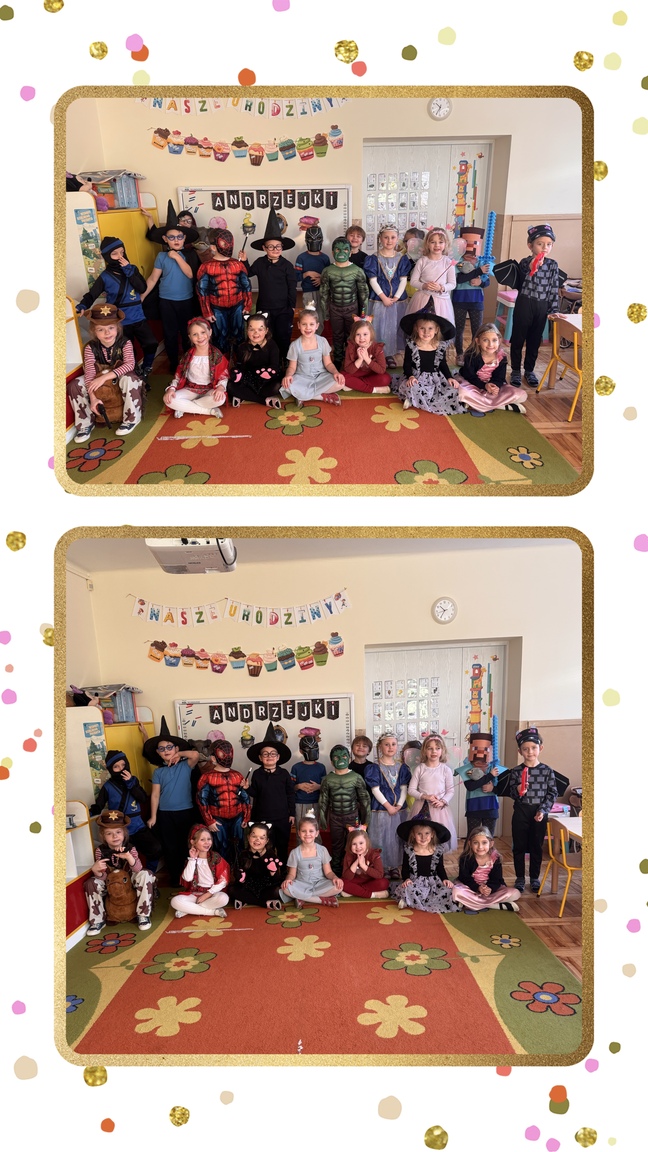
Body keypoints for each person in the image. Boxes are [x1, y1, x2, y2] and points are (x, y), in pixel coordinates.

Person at [75, 235, 158, 384]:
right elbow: (92, 294)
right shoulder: (105, 276)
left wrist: (129, 270)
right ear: (107, 257)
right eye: (115, 254)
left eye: (122, 252)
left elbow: (142, 288)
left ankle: (146, 368)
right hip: (119, 321)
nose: (120, 256)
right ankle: (134, 375)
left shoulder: (132, 269)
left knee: (151, 343)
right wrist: (82, 305)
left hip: (138, 316)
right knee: (127, 350)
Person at [67, 303, 144, 442]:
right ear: (94, 331)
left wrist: (104, 378)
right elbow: (90, 373)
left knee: (129, 379)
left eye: (111, 328)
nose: (107, 333)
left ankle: (132, 418)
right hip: (97, 377)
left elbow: (129, 365)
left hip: (120, 376)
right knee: (75, 385)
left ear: (117, 328)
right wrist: (93, 397)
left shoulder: (125, 343)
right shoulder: (90, 347)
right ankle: (85, 424)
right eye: (101, 329)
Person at [141, 717, 201, 887]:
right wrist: (153, 816)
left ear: (176, 748)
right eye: (162, 748)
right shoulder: (158, 772)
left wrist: (179, 754)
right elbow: (155, 795)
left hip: (185, 812)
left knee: (186, 845)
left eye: (169, 747)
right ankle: (176, 879)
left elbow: (195, 754)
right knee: (170, 847)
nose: (166, 751)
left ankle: (190, 878)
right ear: (158, 752)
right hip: (165, 814)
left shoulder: (185, 765)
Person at [498, 726, 558, 893]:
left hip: (539, 813)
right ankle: (520, 878)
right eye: (525, 749)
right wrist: (517, 790)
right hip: (521, 812)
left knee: (536, 846)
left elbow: (552, 793)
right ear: (520, 751)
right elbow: (511, 792)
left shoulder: (547, 771)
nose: (530, 752)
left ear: (540, 748)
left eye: (533, 748)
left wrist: (543, 810)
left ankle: (534, 878)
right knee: (519, 846)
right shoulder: (516, 771)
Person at [142, 212, 199, 374]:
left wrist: (177, 257)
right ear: (165, 239)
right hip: (166, 301)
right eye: (171, 237)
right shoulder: (161, 256)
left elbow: (190, 274)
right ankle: (174, 362)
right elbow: (153, 278)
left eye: (179, 237)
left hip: (186, 301)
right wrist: (142, 296)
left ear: (184, 238)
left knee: (187, 332)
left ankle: (188, 361)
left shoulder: (190, 254)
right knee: (170, 333)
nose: (176, 240)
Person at [83, 810, 155, 936]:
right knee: (91, 883)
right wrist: (97, 871)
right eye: (109, 833)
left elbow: (138, 870)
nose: (114, 836)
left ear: (124, 833)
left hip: (129, 881)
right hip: (111, 882)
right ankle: (97, 920)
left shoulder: (130, 848)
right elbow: (103, 877)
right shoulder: (100, 851)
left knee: (146, 874)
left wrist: (129, 857)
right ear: (103, 836)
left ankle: (143, 915)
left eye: (118, 832)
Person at [238, 207, 297, 359]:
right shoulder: (260, 263)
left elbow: (292, 287)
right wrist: (244, 261)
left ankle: (283, 362)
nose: (275, 249)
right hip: (264, 308)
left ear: (282, 247)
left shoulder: (287, 266)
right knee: (266, 337)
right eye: (271, 246)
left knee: (283, 336)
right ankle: (267, 361)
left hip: (283, 309)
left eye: (278, 246)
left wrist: (291, 306)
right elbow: (248, 273)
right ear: (264, 248)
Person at [90, 750, 161, 872]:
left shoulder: (134, 781)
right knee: (119, 856)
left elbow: (143, 798)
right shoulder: (108, 786)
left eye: (123, 765)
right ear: (111, 769)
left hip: (138, 827)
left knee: (155, 848)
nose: (121, 769)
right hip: (119, 830)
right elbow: (99, 805)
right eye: (116, 767)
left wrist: (131, 784)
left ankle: (150, 874)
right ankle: (124, 878)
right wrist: (89, 813)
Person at [507, 225, 560, 388]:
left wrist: (554, 310)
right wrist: (533, 266)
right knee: (518, 338)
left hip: (541, 306)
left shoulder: (553, 265)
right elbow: (525, 269)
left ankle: (529, 370)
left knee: (534, 340)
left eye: (549, 244)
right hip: (524, 303)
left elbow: (554, 288)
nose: (545, 247)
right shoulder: (525, 262)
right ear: (530, 245)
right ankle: (516, 370)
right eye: (540, 244)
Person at [393, 307, 465, 415]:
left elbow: (443, 364)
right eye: (422, 328)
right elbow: (407, 364)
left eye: (430, 328)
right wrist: (410, 376)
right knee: (412, 387)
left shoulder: (440, 346)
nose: (426, 332)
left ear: (436, 330)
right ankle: (411, 398)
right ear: (416, 329)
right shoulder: (412, 346)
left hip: (435, 378)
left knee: (453, 388)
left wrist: (449, 377)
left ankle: (418, 399)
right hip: (417, 378)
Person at [196, 228, 252, 355]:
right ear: (213, 247)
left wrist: (247, 305)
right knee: (220, 336)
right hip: (217, 308)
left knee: (239, 335)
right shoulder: (206, 267)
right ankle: (221, 363)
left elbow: (246, 286)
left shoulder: (238, 265)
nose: (228, 246)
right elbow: (202, 291)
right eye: (224, 243)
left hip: (237, 306)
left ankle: (241, 362)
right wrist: (207, 311)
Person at [245, 722, 295, 864]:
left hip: (282, 818)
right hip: (262, 817)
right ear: (260, 758)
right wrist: (247, 788)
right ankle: (266, 870)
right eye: (265, 754)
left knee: (282, 845)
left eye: (273, 754)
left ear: (278, 757)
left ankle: (283, 870)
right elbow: (255, 793)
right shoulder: (257, 774)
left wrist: (292, 813)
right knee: (265, 847)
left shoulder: (284, 774)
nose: (269, 756)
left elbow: (290, 794)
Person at [453, 322, 528, 416]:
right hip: (472, 384)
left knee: (522, 395)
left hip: (490, 386)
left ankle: (476, 404)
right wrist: (484, 386)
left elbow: (499, 378)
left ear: (499, 341)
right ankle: (500, 405)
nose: (490, 344)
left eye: (494, 340)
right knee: (461, 392)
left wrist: (494, 386)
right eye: (485, 340)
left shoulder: (502, 357)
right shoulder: (471, 355)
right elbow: (470, 376)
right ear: (478, 341)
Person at [318, 744, 371, 875]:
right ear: (331, 761)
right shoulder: (327, 779)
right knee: (336, 845)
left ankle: (353, 871)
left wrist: (366, 820)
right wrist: (322, 818)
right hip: (335, 817)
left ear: (349, 758)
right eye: (336, 757)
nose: (341, 759)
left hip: (352, 816)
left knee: (355, 845)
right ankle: (336, 872)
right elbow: (323, 800)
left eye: (344, 756)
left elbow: (364, 799)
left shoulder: (356, 777)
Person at [196, 738, 250, 862]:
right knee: (221, 846)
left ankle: (240, 871)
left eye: (229, 754)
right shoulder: (207, 777)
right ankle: (222, 871)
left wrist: (246, 817)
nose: (227, 757)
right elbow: (201, 800)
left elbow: (245, 798)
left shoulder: (238, 776)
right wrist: (209, 820)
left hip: (237, 817)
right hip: (217, 819)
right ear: (213, 758)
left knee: (239, 846)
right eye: (223, 754)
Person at [163, 317, 229, 419]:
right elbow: (179, 376)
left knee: (220, 399)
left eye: (203, 332)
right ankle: (209, 411)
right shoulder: (188, 356)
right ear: (190, 337)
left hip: (209, 389)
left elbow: (223, 376)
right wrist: (171, 389)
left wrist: (220, 388)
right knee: (168, 399)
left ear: (210, 332)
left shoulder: (217, 355)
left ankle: (186, 406)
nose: (200, 337)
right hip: (191, 389)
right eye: (195, 334)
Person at [319, 236, 370, 366]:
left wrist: (363, 313)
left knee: (352, 336)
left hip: (352, 309)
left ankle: (351, 360)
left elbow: (363, 293)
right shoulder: (327, 271)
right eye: (337, 249)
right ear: (332, 252)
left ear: (350, 252)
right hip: (335, 308)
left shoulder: (357, 271)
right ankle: (337, 359)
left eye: (345, 250)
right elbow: (323, 293)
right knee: (337, 335)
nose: (341, 252)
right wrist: (325, 313)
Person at [365, 733, 411, 877]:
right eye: (386, 744)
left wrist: (399, 805)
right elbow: (375, 790)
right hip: (381, 809)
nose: (390, 747)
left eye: (393, 744)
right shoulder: (374, 768)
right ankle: (382, 865)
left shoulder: (402, 767)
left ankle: (394, 866)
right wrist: (388, 806)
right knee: (381, 837)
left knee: (396, 838)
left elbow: (404, 788)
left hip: (399, 810)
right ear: (380, 747)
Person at [393, 815, 460, 913]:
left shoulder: (437, 850)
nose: (423, 837)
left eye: (427, 833)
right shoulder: (409, 850)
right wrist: (406, 879)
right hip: (415, 882)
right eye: (419, 834)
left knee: (450, 889)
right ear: (413, 834)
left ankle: (411, 900)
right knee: (407, 888)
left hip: (433, 883)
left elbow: (440, 868)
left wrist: (445, 879)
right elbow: (405, 868)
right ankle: (407, 899)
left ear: (432, 834)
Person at [281, 305, 347, 405]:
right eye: (304, 324)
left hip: (321, 377)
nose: (308, 328)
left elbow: (328, 364)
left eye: (311, 324)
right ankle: (321, 396)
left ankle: (302, 396)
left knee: (340, 383)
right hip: (302, 378)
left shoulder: (322, 341)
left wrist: (336, 372)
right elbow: (292, 367)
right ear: (299, 325)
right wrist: (288, 375)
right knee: (286, 386)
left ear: (317, 325)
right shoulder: (295, 345)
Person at [364, 226, 411, 366]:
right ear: (380, 239)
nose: (389, 240)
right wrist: (383, 297)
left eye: (393, 237)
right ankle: (378, 353)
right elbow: (373, 280)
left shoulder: (402, 258)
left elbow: (403, 280)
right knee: (379, 326)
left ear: (397, 239)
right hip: (379, 299)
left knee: (394, 326)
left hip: (398, 301)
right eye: (386, 237)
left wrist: (396, 297)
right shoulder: (373, 259)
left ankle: (390, 354)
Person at [452, 825, 520, 913]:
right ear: (469, 843)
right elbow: (464, 878)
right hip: (470, 888)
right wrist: (478, 888)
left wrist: (489, 888)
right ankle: (495, 905)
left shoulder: (495, 858)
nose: (480, 847)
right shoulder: (465, 858)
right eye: (475, 843)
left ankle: (470, 904)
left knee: (515, 893)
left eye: (484, 843)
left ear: (491, 844)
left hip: (489, 889)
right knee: (456, 892)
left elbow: (497, 879)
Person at [280, 813, 344, 907]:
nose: (307, 834)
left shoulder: (322, 850)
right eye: (304, 831)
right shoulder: (295, 852)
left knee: (338, 887)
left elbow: (328, 872)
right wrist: (288, 880)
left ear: (317, 833)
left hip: (320, 883)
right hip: (301, 884)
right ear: (299, 833)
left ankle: (302, 897)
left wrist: (335, 878)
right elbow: (292, 874)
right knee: (285, 888)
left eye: (311, 831)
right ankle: (321, 900)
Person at [407, 734, 457, 849]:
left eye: (437, 748)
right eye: (430, 748)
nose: (434, 751)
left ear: (442, 750)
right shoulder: (420, 768)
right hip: (421, 808)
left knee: (438, 839)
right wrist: (425, 796)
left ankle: (437, 859)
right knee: (422, 837)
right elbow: (411, 790)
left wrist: (443, 801)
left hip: (439, 810)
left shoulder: (446, 770)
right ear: (424, 751)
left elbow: (450, 790)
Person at [170, 824, 230, 919]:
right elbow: (187, 878)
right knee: (175, 901)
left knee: (224, 899)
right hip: (195, 893)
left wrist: (208, 894)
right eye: (202, 840)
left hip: (212, 893)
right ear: (193, 842)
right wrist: (192, 859)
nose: (207, 842)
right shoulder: (191, 860)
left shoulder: (215, 857)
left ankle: (189, 910)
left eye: (209, 839)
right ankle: (213, 912)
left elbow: (223, 881)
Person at [452, 225, 490, 366]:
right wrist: (477, 271)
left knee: (477, 330)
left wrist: (480, 282)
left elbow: (487, 281)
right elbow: (459, 279)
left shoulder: (481, 262)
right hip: (460, 300)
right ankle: (459, 354)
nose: (471, 255)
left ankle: (475, 354)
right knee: (459, 329)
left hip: (476, 300)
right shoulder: (458, 262)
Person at [227, 312, 283, 408]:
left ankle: (245, 396)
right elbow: (241, 367)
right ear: (247, 331)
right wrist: (238, 374)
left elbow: (275, 365)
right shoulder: (242, 347)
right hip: (249, 379)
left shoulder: (272, 346)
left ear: (266, 330)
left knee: (277, 386)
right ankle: (263, 400)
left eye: (260, 329)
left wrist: (269, 373)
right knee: (230, 386)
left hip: (266, 380)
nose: (256, 333)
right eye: (251, 329)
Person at [454, 731, 501, 838]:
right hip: (474, 807)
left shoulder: (494, 767)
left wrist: (492, 788)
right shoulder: (468, 768)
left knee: (488, 837)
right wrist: (489, 776)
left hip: (491, 807)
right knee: (472, 836)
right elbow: (471, 786)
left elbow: (502, 788)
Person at [229, 821, 284, 910]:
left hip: (266, 886)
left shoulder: (270, 855)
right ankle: (264, 903)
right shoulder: (243, 854)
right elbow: (237, 876)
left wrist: (273, 872)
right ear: (248, 837)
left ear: (267, 841)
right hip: (248, 886)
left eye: (262, 838)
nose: (257, 840)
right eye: (254, 836)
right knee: (232, 890)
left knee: (277, 891)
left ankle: (246, 900)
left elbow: (276, 879)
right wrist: (241, 877)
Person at [406, 227, 456, 323]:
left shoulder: (448, 262)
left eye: (440, 242)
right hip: (422, 299)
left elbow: (452, 284)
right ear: (427, 244)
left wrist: (441, 287)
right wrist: (424, 285)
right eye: (433, 242)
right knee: (421, 323)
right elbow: (413, 281)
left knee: (438, 325)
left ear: (446, 244)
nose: (437, 245)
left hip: (441, 302)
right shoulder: (422, 261)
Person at [341, 318, 392, 394]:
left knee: (386, 379)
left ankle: (356, 384)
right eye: (358, 334)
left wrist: (367, 359)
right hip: (357, 373)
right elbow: (348, 370)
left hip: (372, 374)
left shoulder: (377, 348)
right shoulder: (351, 347)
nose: (361, 338)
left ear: (371, 334)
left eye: (365, 334)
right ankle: (374, 390)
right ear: (353, 335)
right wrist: (360, 359)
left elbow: (381, 370)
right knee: (342, 376)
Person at [295, 225, 330, 331]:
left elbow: (329, 276)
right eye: (310, 239)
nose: (314, 241)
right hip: (308, 293)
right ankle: (309, 337)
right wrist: (307, 274)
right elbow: (296, 277)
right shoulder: (301, 258)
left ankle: (317, 338)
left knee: (320, 317)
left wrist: (321, 279)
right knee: (309, 318)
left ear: (322, 240)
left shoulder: (325, 258)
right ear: (306, 240)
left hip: (322, 292)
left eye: (317, 238)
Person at [291, 733, 327, 830]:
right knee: (301, 829)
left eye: (314, 747)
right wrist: (299, 786)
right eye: (307, 748)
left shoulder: (321, 767)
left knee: (315, 829)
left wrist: (318, 787)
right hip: (300, 803)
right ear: (301, 751)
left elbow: (326, 787)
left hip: (317, 802)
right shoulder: (296, 767)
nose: (311, 750)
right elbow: (290, 787)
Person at [340, 827, 389, 898]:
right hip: (357, 880)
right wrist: (356, 862)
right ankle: (373, 895)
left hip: (371, 881)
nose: (358, 847)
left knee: (384, 883)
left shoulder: (374, 854)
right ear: (350, 845)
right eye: (354, 844)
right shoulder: (349, 854)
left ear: (367, 842)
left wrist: (363, 866)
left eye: (361, 843)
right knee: (342, 882)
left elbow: (379, 875)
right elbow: (347, 877)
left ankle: (355, 891)